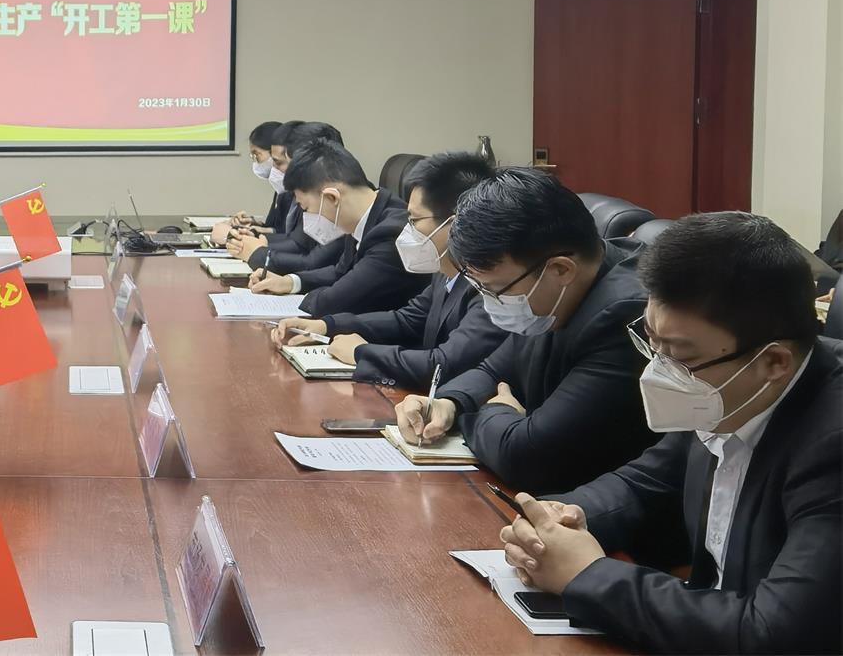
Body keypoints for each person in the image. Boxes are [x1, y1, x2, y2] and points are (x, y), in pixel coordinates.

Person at [498, 213, 840, 654]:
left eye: (679, 355)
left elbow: (773, 634)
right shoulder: (728, 386)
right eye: (652, 342)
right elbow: (645, 481)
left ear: (774, 362)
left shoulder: (831, 444)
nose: (659, 372)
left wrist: (587, 575)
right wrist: (559, 521)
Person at [394, 168, 655, 494]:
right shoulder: (552, 287)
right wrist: (448, 404)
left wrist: (494, 410)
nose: (489, 301)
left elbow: (526, 457)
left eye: (496, 289)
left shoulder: (625, 315)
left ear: (560, 269)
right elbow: (493, 370)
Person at [271, 151, 506, 388]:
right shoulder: (445, 270)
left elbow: (442, 363)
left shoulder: (492, 285)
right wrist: (327, 326)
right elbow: (407, 320)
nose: (407, 230)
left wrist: (361, 353)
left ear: (456, 225)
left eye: (414, 220)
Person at [247, 140, 426, 316]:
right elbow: (340, 273)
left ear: (332, 198)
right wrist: (289, 282)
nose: (306, 217)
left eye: (306, 208)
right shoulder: (363, 217)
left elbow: (334, 301)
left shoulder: (391, 234)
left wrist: (306, 298)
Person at [228, 121, 345, 273]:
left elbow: (313, 262)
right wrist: (257, 237)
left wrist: (257, 252)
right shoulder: (309, 193)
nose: (277, 169)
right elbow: (300, 240)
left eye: (280, 162)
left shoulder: (333, 199)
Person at [211, 121, 282, 246]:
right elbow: (277, 228)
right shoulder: (279, 188)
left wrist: (249, 233)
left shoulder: (294, 190)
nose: (255, 161)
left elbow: (294, 239)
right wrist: (253, 224)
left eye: (257, 154)